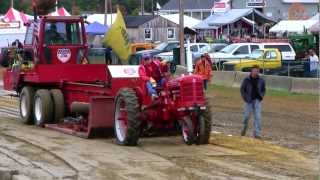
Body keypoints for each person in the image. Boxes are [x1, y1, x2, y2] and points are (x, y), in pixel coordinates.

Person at [240, 65, 266, 139]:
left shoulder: (261, 80)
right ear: (251, 71)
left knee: (258, 117)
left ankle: (257, 134)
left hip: (257, 100)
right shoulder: (246, 79)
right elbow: (242, 89)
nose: (256, 72)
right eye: (255, 71)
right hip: (248, 101)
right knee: (246, 117)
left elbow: (264, 89)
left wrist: (261, 96)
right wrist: (245, 98)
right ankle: (243, 130)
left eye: (257, 71)